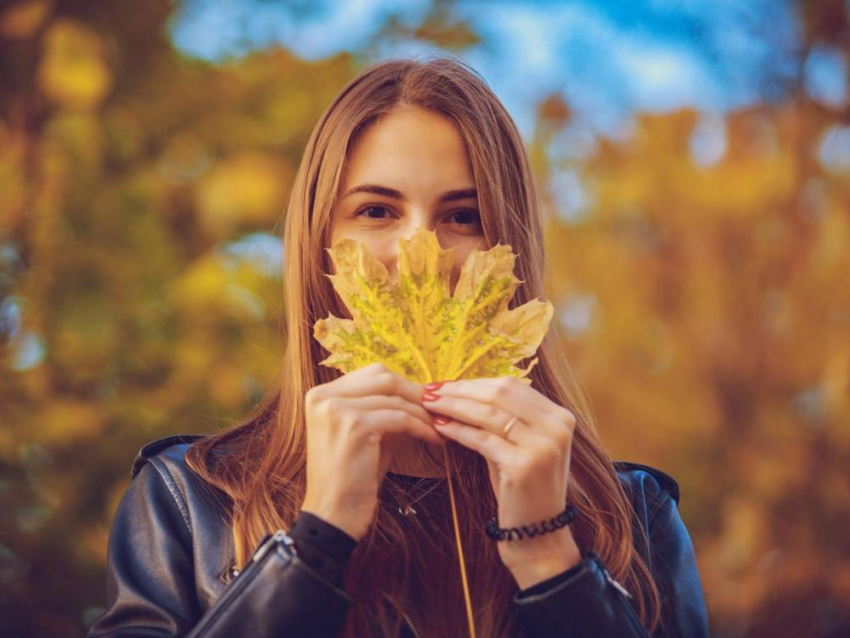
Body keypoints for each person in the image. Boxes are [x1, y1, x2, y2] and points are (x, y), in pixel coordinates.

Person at [87, 56, 710, 638]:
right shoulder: (189, 501)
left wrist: (550, 557)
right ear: (318, 241)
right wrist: (316, 544)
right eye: (378, 210)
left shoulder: (634, 518)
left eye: (464, 216)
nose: (425, 252)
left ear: (512, 243)